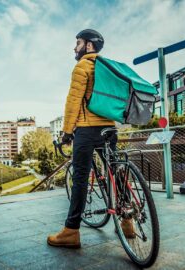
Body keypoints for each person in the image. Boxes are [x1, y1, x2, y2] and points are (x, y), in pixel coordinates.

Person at [47, 29, 134, 249]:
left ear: (88, 45)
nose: (74, 47)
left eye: (77, 43)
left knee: (80, 179)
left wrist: (67, 132)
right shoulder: (109, 68)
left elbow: (73, 102)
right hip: (109, 130)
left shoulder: (82, 67)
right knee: (115, 171)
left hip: (87, 131)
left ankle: (71, 231)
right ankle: (127, 222)